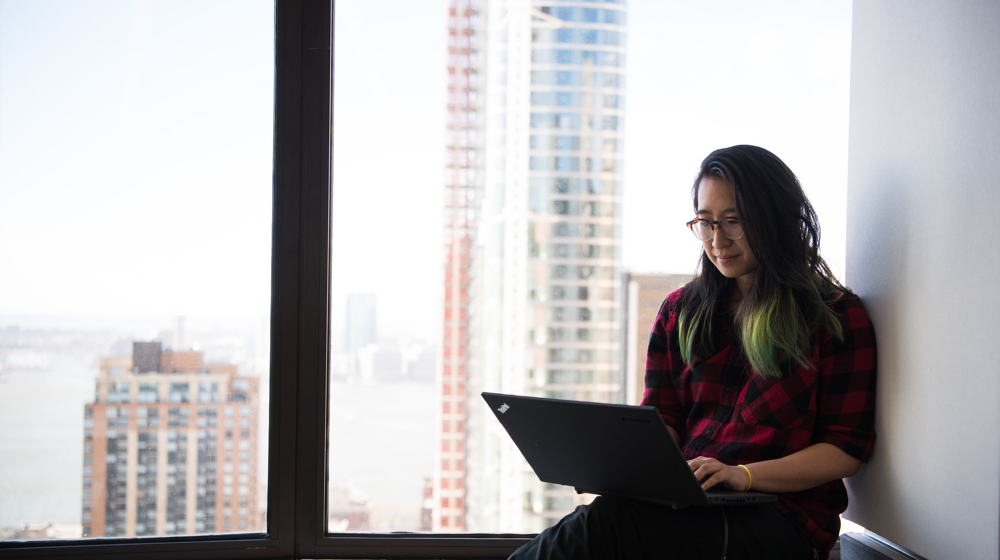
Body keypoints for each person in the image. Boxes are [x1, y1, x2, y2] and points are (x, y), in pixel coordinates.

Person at [508, 145, 876, 560]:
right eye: (706, 222)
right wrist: (636, 469)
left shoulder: (834, 316)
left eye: (734, 221)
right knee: (611, 514)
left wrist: (744, 476)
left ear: (775, 217)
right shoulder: (680, 312)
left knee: (607, 524)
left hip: (783, 519)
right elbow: (666, 418)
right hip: (693, 504)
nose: (718, 240)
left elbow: (844, 452)